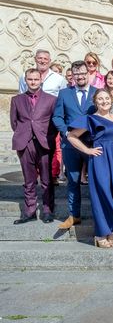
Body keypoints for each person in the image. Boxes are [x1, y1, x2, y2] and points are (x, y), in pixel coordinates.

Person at [66, 89, 113, 248]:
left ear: (111, 100)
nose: (104, 101)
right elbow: (71, 136)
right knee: (102, 193)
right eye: (100, 99)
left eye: (107, 98)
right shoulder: (91, 119)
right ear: (95, 102)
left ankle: (111, 230)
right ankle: (100, 233)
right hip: (101, 160)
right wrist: (88, 150)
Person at [52, 60, 97, 229]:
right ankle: (74, 215)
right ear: (72, 76)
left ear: (88, 74)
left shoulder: (97, 93)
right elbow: (57, 116)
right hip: (71, 145)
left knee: (96, 180)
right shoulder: (64, 94)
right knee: (73, 180)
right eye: (76, 74)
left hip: (93, 144)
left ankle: (98, 215)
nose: (80, 76)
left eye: (83, 73)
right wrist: (65, 132)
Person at [10, 69, 58, 224]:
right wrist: (23, 135)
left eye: (36, 79)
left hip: (44, 143)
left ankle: (47, 210)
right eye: (30, 79)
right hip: (24, 143)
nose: (33, 82)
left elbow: (54, 123)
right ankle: (29, 211)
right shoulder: (16, 100)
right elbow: (14, 122)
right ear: (26, 80)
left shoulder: (51, 99)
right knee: (29, 180)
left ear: (41, 80)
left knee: (46, 180)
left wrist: (47, 138)